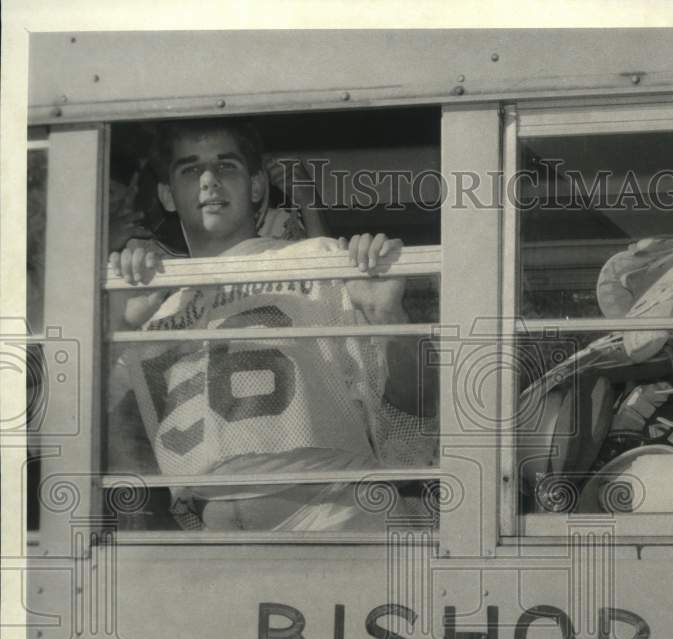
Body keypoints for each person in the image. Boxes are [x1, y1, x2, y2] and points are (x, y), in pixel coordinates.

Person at [108, 118, 435, 531]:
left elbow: (420, 406)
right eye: (190, 170)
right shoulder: (161, 301)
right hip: (219, 538)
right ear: (167, 195)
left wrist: (390, 316)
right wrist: (115, 324)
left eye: (227, 166)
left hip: (332, 514)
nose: (209, 181)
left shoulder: (318, 257)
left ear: (258, 186)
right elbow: (82, 424)